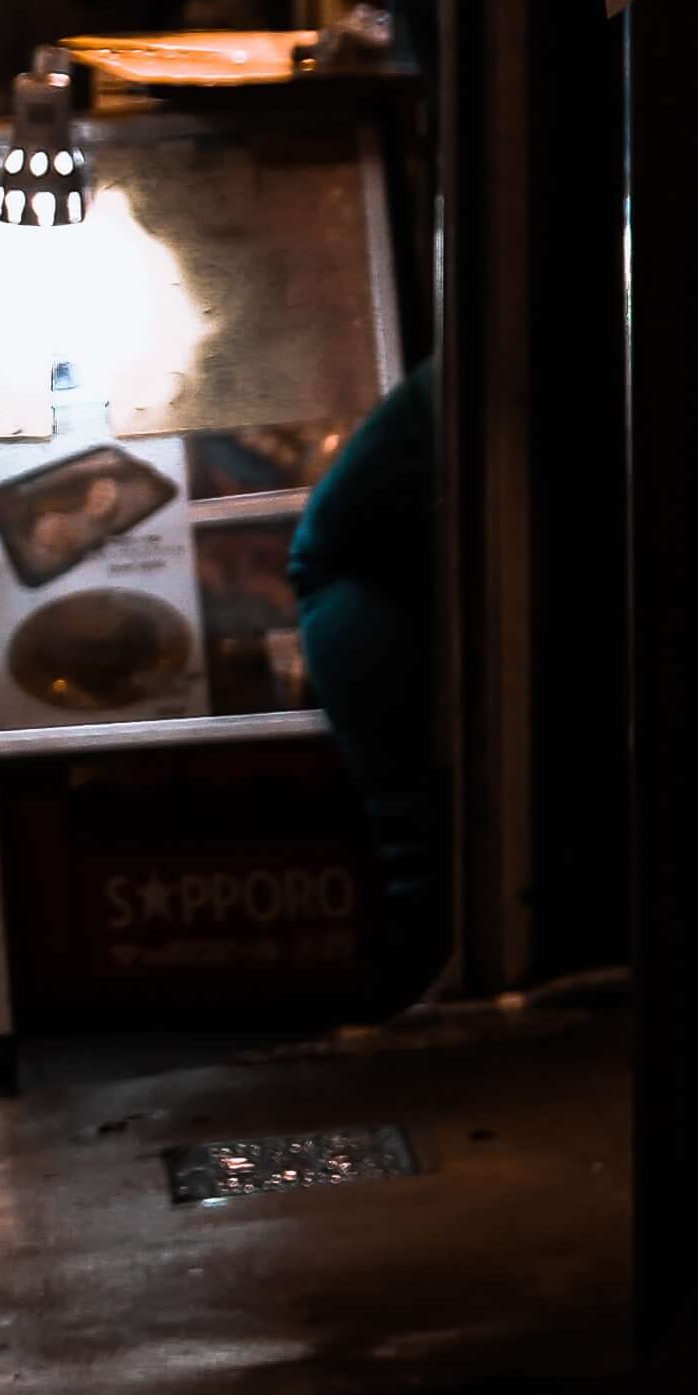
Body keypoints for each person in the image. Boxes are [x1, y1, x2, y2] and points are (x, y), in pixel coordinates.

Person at [289, 368, 445, 1005]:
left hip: (365, 588)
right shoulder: (485, 358)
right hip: (361, 591)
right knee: (425, 855)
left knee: (426, 852)